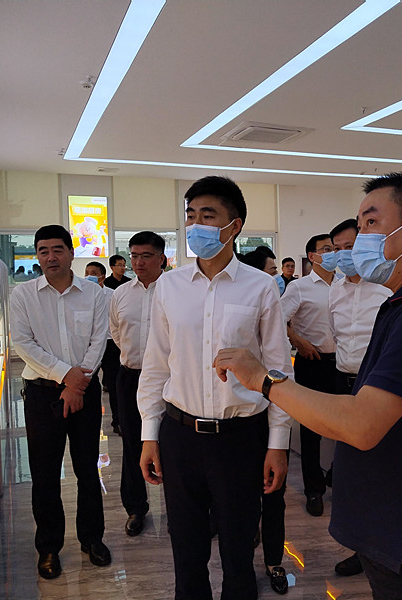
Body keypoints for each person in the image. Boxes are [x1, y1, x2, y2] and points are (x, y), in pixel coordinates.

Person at [215, 172, 402, 599]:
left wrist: (264, 380)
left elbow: (361, 424)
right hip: (398, 530)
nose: (360, 240)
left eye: (371, 224)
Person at [137, 175, 293, 600]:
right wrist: (149, 435)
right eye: (190, 216)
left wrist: (278, 444)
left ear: (234, 225)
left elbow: (279, 371)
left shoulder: (261, 287)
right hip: (180, 435)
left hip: (239, 438)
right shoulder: (169, 286)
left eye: (208, 216)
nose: (196, 225)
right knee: (187, 553)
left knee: (238, 553)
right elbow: (156, 365)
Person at [9, 224, 111, 580]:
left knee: (87, 469)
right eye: (43, 251)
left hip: (85, 389)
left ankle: (92, 539)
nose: (50, 257)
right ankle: (49, 547)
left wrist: (78, 383)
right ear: (37, 256)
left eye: (57, 249)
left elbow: (99, 339)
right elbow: (23, 343)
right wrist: (66, 376)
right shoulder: (23, 295)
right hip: (42, 393)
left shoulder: (94, 293)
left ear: (71, 253)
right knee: (45, 473)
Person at [326, 217, 391, 578]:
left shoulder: (386, 287)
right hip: (343, 381)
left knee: (380, 469)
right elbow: (337, 336)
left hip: (377, 387)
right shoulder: (335, 289)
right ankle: (361, 547)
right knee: (352, 471)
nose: (343, 255)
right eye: (337, 249)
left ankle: (381, 549)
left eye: (349, 247)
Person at [240, 247, 291, 595]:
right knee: (242, 501)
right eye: (272, 270)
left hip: (268, 414)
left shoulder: (269, 302)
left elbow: (280, 370)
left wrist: (280, 440)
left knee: (273, 495)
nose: (276, 276)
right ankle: (242, 563)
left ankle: (274, 561)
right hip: (240, 422)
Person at [109, 231, 167, 537]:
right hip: (131, 376)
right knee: (132, 442)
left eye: (146, 256)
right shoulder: (120, 294)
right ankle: (135, 508)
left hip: (169, 379)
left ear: (161, 258)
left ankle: (182, 508)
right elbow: (116, 332)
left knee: (173, 444)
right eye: (134, 256)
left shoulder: (174, 290)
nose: (138, 262)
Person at [279, 233, 337, 517]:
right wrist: (298, 341)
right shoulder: (299, 287)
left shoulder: (345, 284)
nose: (334, 253)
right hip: (312, 362)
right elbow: (277, 320)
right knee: (311, 431)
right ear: (312, 257)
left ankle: (336, 475)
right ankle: (314, 490)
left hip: (343, 364)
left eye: (335, 248)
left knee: (345, 426)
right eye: (327, 249)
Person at [84, 261, 121, 435]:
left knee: (114, 384)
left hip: (110, 343)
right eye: (86, 273)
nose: (88, 276)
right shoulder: (81, 295)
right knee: (88, 382)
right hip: (88, 344)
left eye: (93, 273)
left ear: (102, 277)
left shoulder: (112, 295)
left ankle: (118, 421)